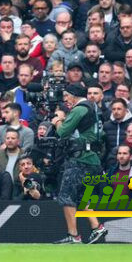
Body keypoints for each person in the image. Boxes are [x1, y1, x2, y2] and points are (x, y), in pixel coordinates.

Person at [50, 83, 108, 244]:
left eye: (67, 95)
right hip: (93, 159)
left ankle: (73, 235)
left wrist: (57, 121)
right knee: (82, 197)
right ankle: (97, 227)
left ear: (74, 94)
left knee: (66, 196)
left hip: (80, 158)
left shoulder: (79, 108)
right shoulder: (94, 108)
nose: (65, 99)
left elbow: (62, 132)